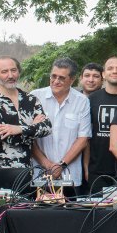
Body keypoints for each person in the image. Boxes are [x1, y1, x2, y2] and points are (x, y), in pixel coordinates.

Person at [31, 57, 91, 197]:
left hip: (70, 175)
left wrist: (61, 165)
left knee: (70, 216)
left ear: (72, 80)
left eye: (61, 78)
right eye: (53, 76)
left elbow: (83, 138)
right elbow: (28, 136)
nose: (56, 81)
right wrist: (46, 163)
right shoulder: (35, 97)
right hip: (39, 173)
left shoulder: (82, 101)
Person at [0, 56, 51, 169]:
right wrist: (32, 127)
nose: (10, 75)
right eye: (4, 72)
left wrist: (18, 129)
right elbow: (4, 136)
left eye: (13, 70)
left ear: (18, 72)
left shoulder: (30, 99)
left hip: (26, 169)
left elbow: (47, 128)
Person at [87, 57, 117, 193]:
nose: (114, 71)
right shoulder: (92, 99)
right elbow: (86, 137)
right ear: (103, 74)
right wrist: (86, 168)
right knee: (98, 212)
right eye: (110, 68)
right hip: (97, 171)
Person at [77, 62, 104, 194]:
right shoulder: (73, 99)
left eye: (95, 76)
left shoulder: (106, 100)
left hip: (99, 161)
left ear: (102, 79)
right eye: (87, 75)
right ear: (81, 78)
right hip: (72, 159)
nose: (91, 80)